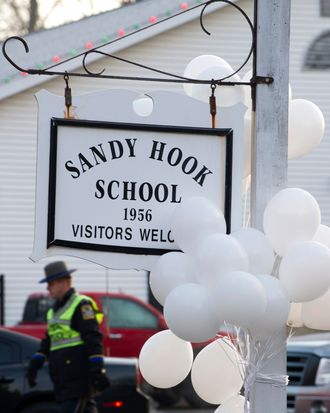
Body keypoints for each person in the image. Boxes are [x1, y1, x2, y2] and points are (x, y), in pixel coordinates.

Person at [26, 261, 110, 413]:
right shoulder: (53, 310)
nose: (47, 288)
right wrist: (35, 364)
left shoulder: (81, 305)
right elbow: (49, 340)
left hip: (77, 378)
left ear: (63, 282)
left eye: (50, 283)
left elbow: (93, 338)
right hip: (62, 379)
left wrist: (98, 369)